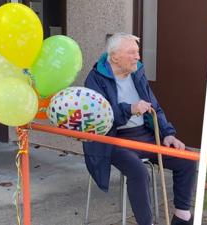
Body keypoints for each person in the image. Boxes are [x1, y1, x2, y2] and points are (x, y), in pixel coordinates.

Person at [83, 33, 196, 225]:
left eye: (138, 52)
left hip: (145, 135)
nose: (138, 57)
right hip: (114, 139)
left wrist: (168, 134)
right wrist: (130, 109)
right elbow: (99, 119)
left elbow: (155, 107)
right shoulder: (95, 79)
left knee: (187, 158)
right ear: (114, 56)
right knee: (139, 171)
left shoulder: (137, 73)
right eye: (132, 52)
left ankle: (182, 216)